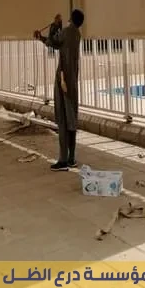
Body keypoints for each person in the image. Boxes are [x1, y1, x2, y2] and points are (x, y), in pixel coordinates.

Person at [34, 9, 84, 171]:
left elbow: (53, 42)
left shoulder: (67, 31)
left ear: (71, 19)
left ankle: (63, 160)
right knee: (71, 119)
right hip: (72, 80)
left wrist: (54, 27)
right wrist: (56, 28)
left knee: (62, 119)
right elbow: (59, 43)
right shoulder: (76, 34)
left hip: (62, 79)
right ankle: (71, 158)